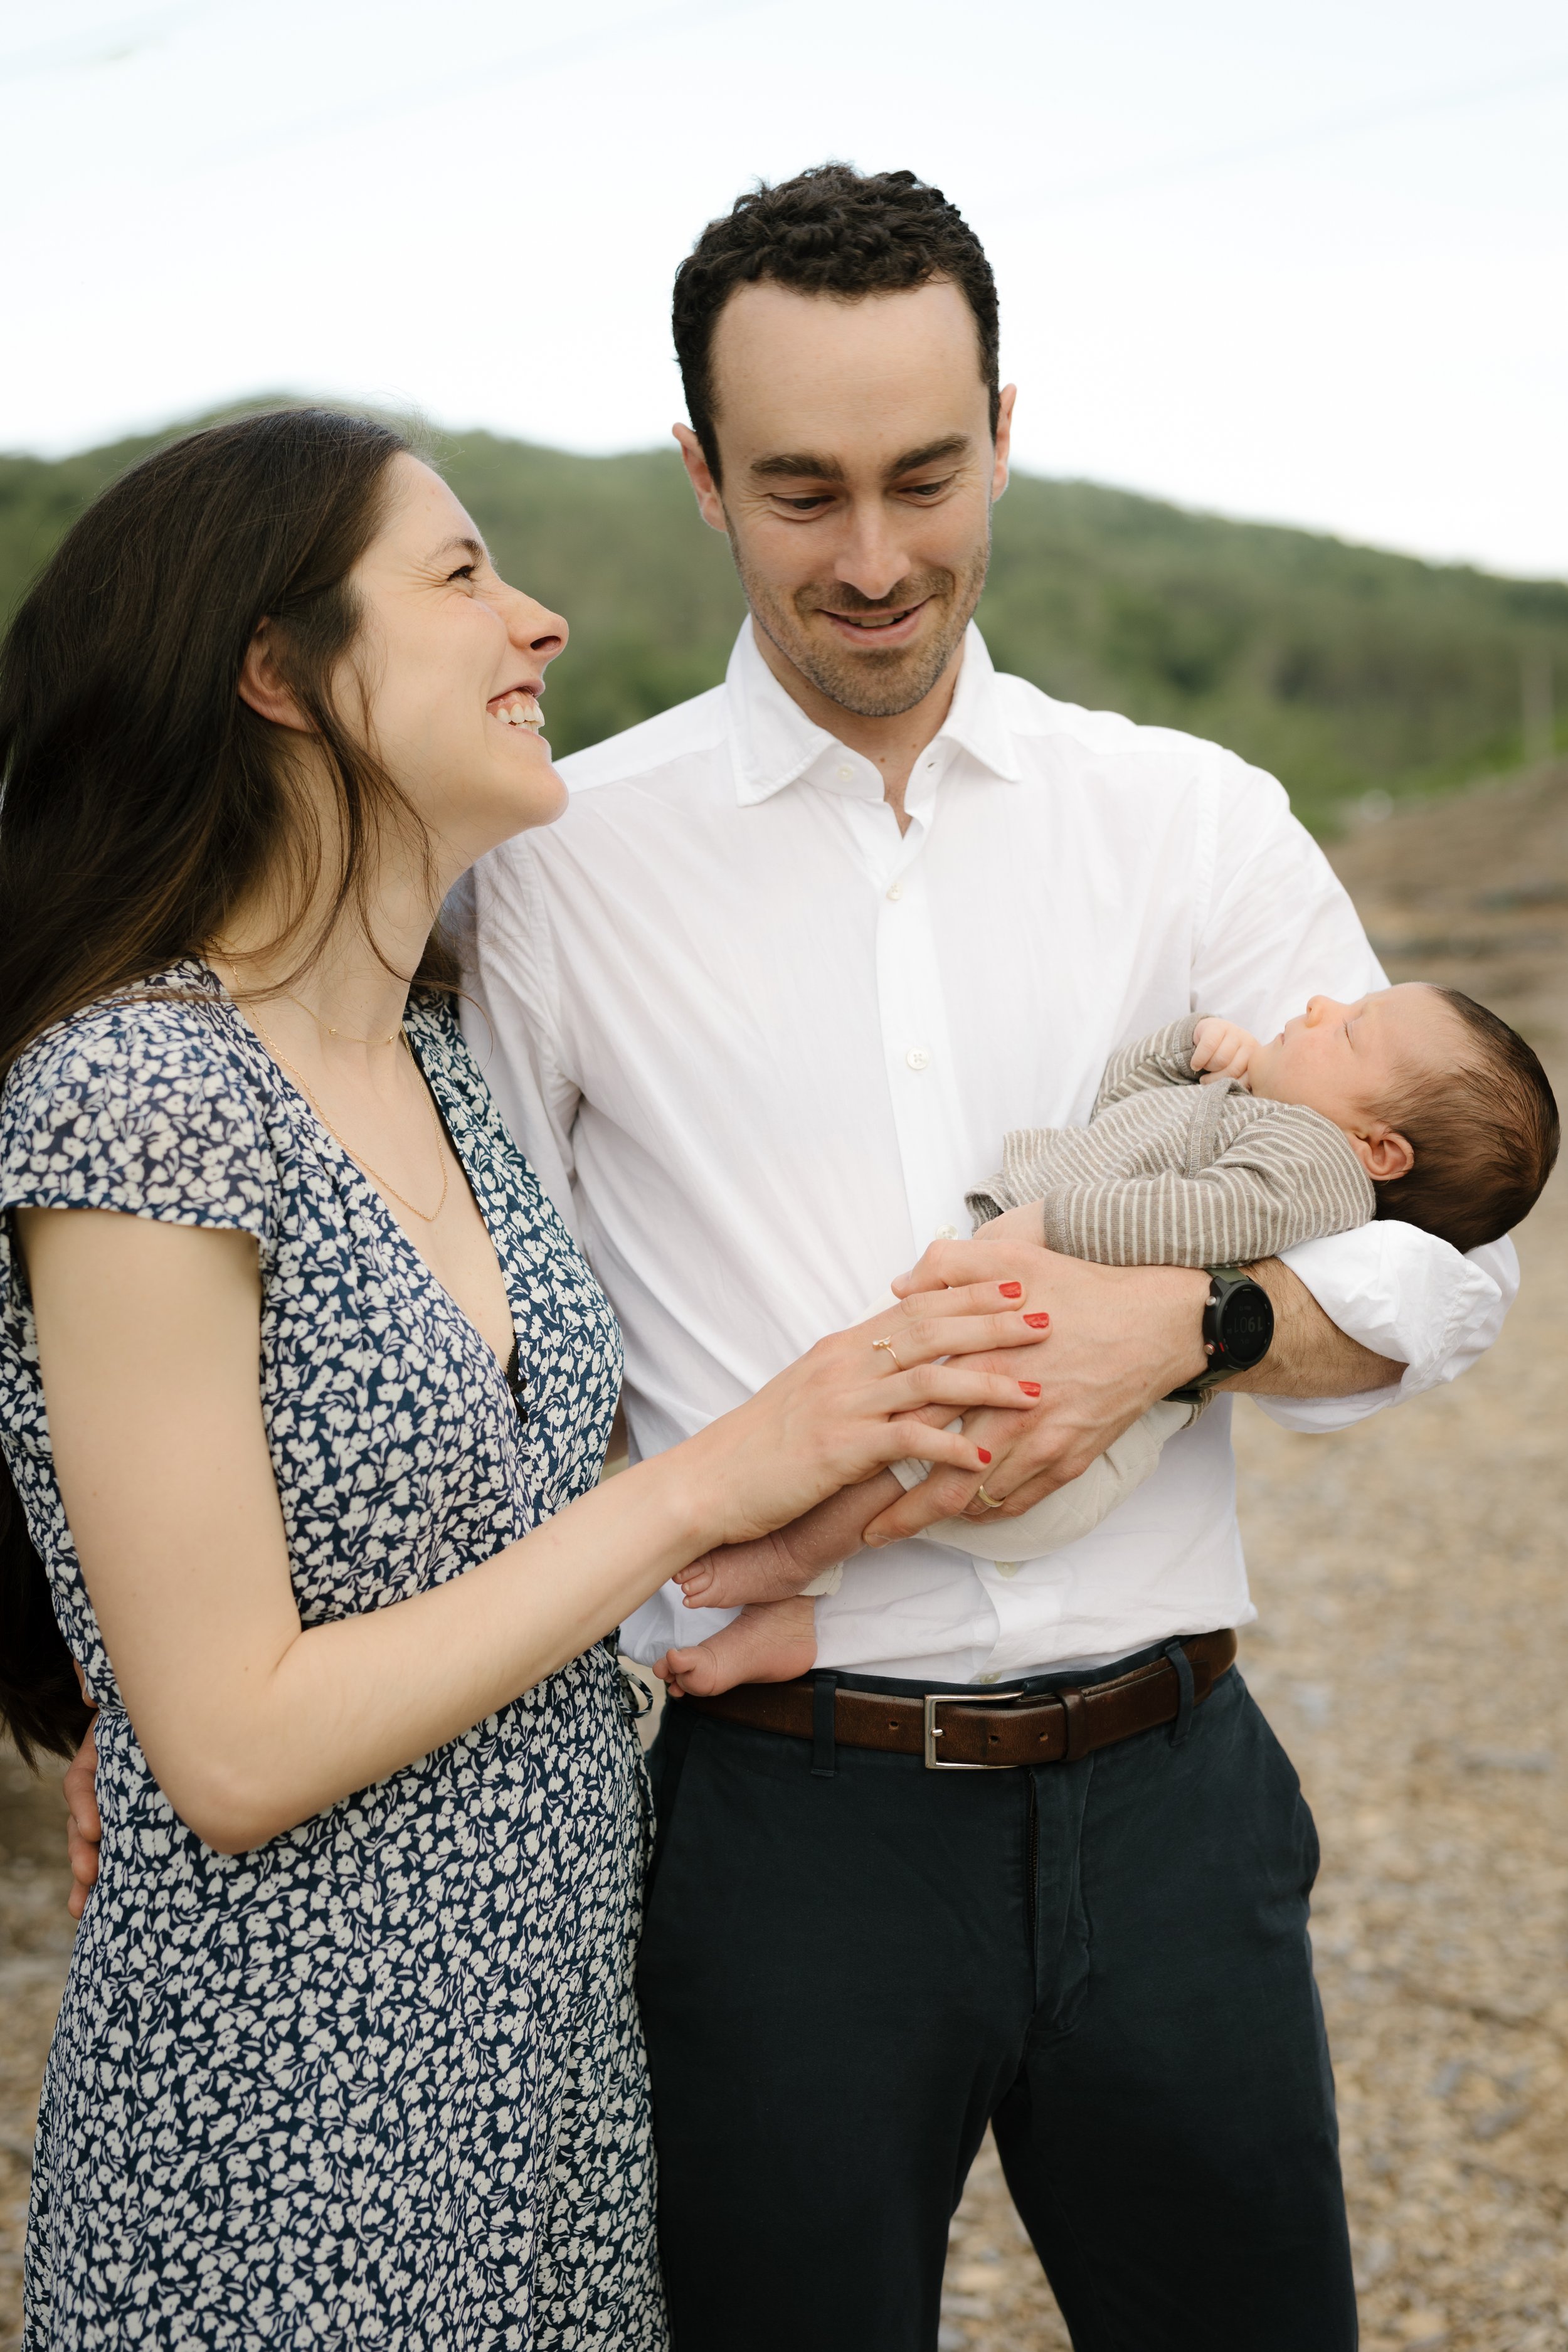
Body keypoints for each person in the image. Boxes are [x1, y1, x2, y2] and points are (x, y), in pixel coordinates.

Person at [445, 165, 1518, 2352]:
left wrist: (1182, 1328)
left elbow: (1445, 1261)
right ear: (698, 477)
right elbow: (513, 1352)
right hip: (785, 1834)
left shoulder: (1199, 822)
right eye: (800, 490)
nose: (872, 558)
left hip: (1182, 1804)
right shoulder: (560, 874)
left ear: (1006, 431)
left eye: (927, 476)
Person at [0, 406, 1044, 2350]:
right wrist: (710, 1476)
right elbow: (228, 1748)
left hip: (549, 2086)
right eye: (463, 573)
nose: (541, 621)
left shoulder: (443, 1058)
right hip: (284, 2145)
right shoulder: (140, 1088)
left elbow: (488, 1537)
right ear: (271, 667)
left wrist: (811, 1521)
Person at [660, 986, 1559, 1693]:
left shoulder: (1314, 1169)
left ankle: (792, 1563)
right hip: (1025, 1347)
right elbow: (1118, 1113)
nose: (1321, 1005)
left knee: (913, 1445)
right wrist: (1180, 1054)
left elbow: (1202, 1220)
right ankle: (793, 1608)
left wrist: (1055, 1222)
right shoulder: (1251, 1111)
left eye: (1354, 1030)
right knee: (884, 1422)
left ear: (1381, 1151)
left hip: (1078, 1434)